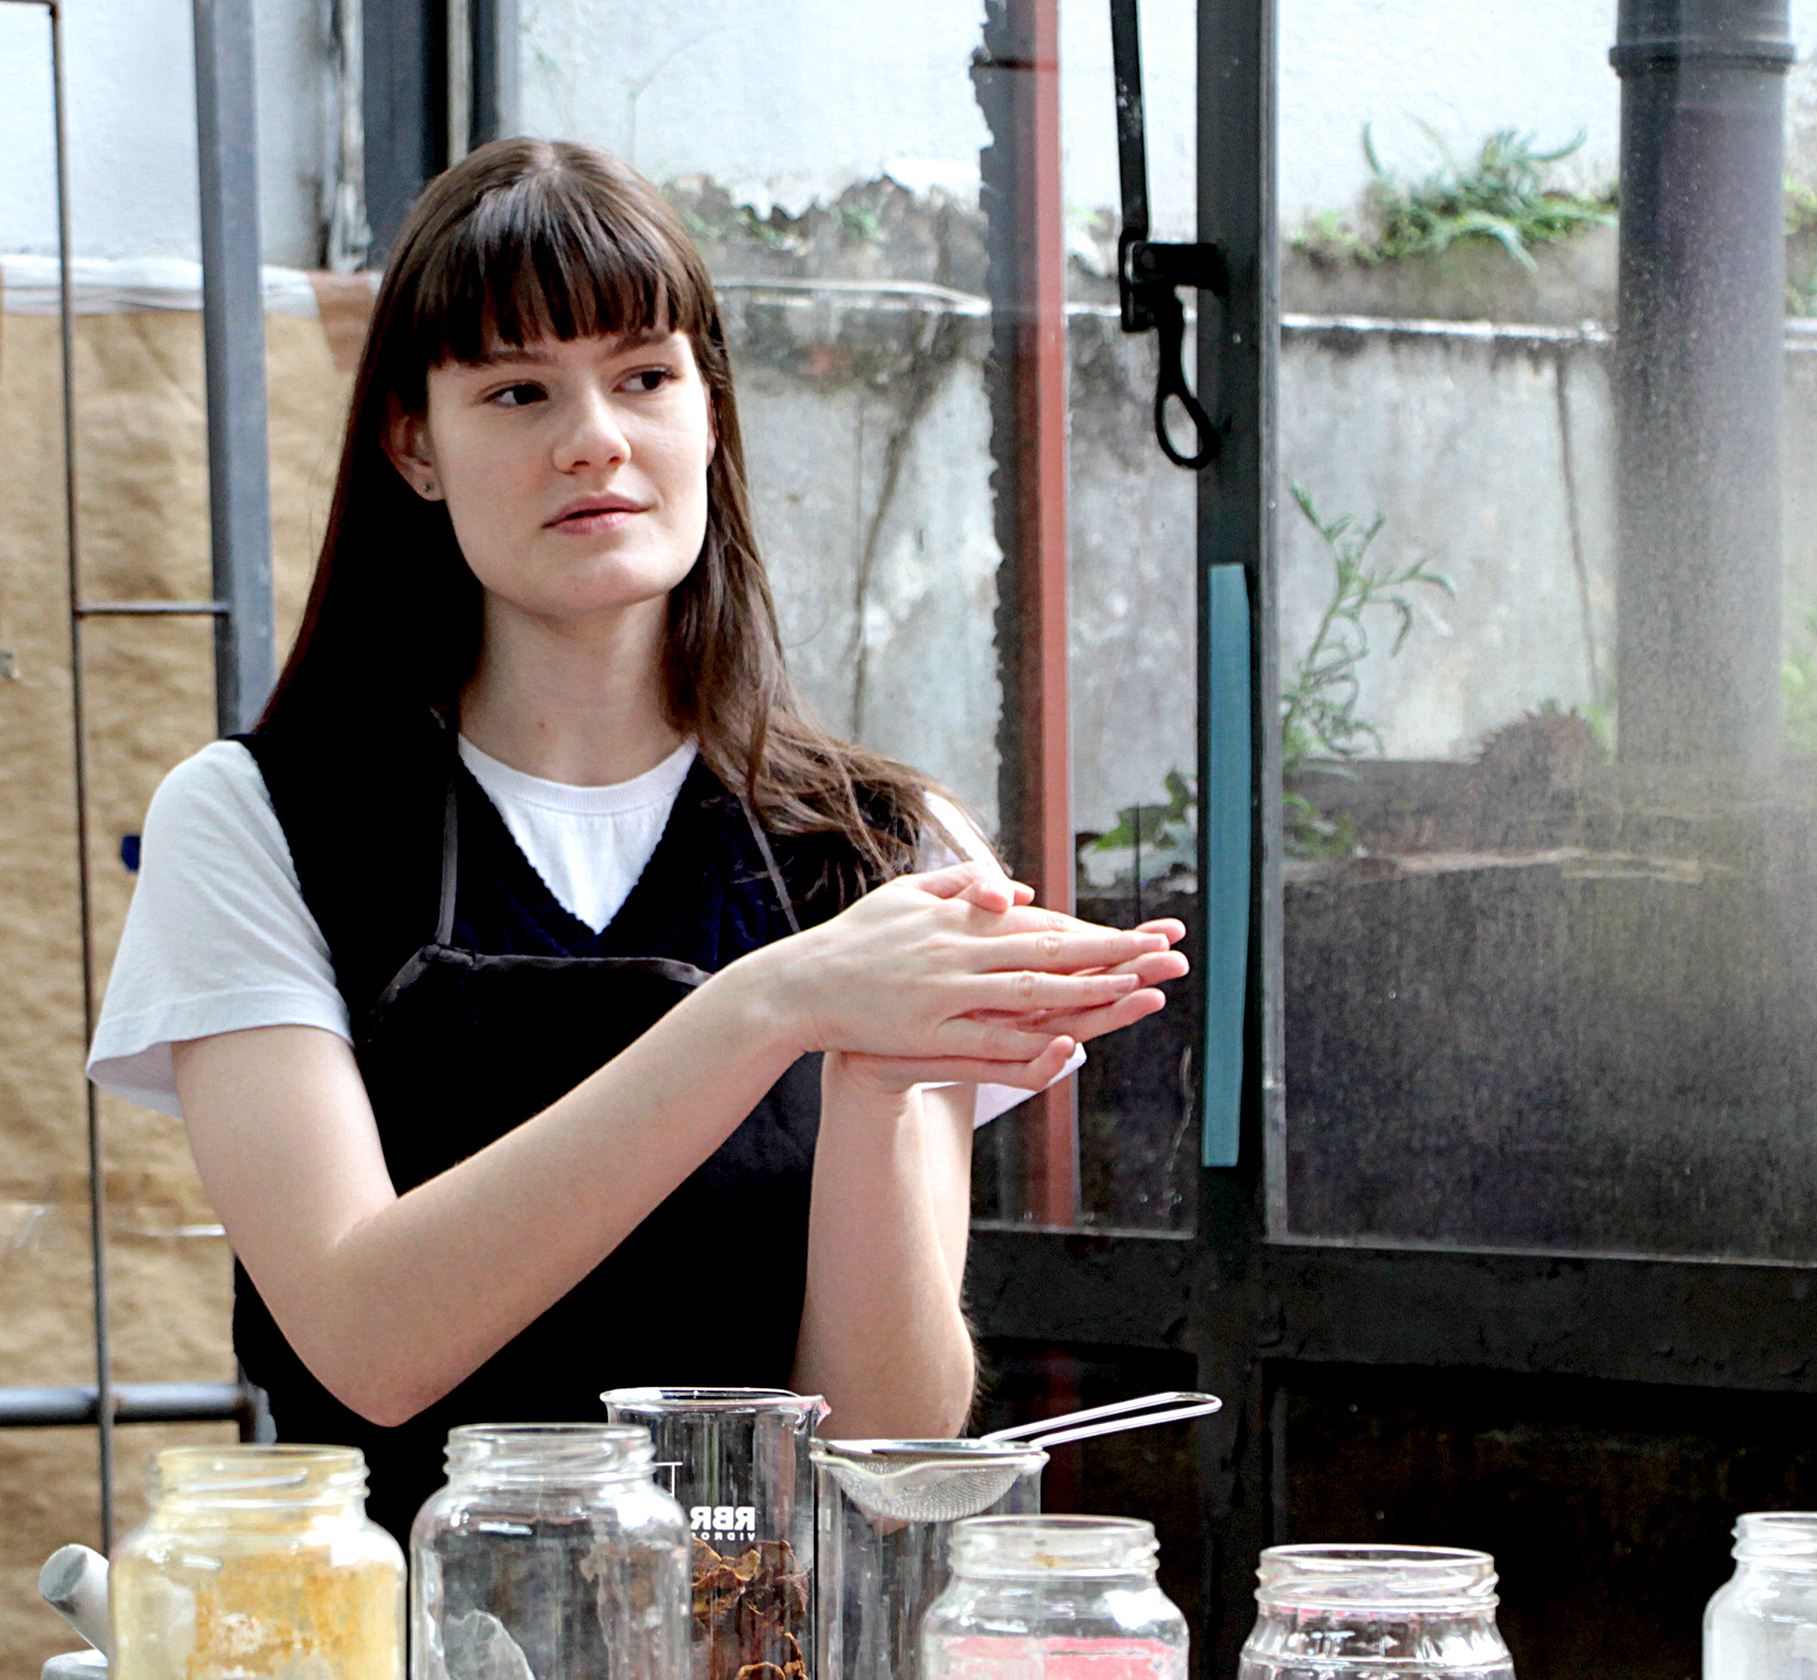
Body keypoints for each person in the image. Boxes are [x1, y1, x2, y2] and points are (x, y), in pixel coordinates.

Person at [87, 138, 1189, 1537]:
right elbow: (368, 1342)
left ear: (711, 410)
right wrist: (774, 1003)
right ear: (414, 445)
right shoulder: (256, 823)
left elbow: (887, 1453)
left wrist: (870, 1080)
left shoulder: (889, 851)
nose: (595, 437)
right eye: (516, 391)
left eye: (645, 376)